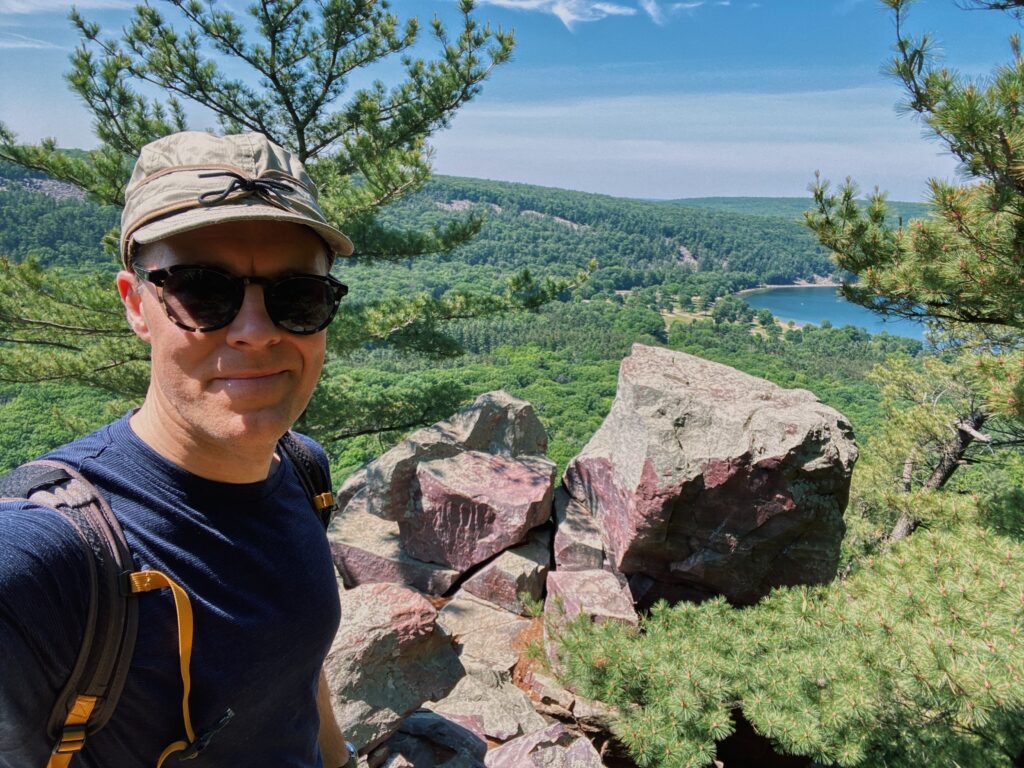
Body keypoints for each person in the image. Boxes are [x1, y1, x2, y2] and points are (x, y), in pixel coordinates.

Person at [0, 132, 357, 768]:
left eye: (297, 297)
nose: (254, 332)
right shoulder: (50, 556)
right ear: (137, 305)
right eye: (201, 292)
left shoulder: (302, 468)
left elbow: (297, 680)